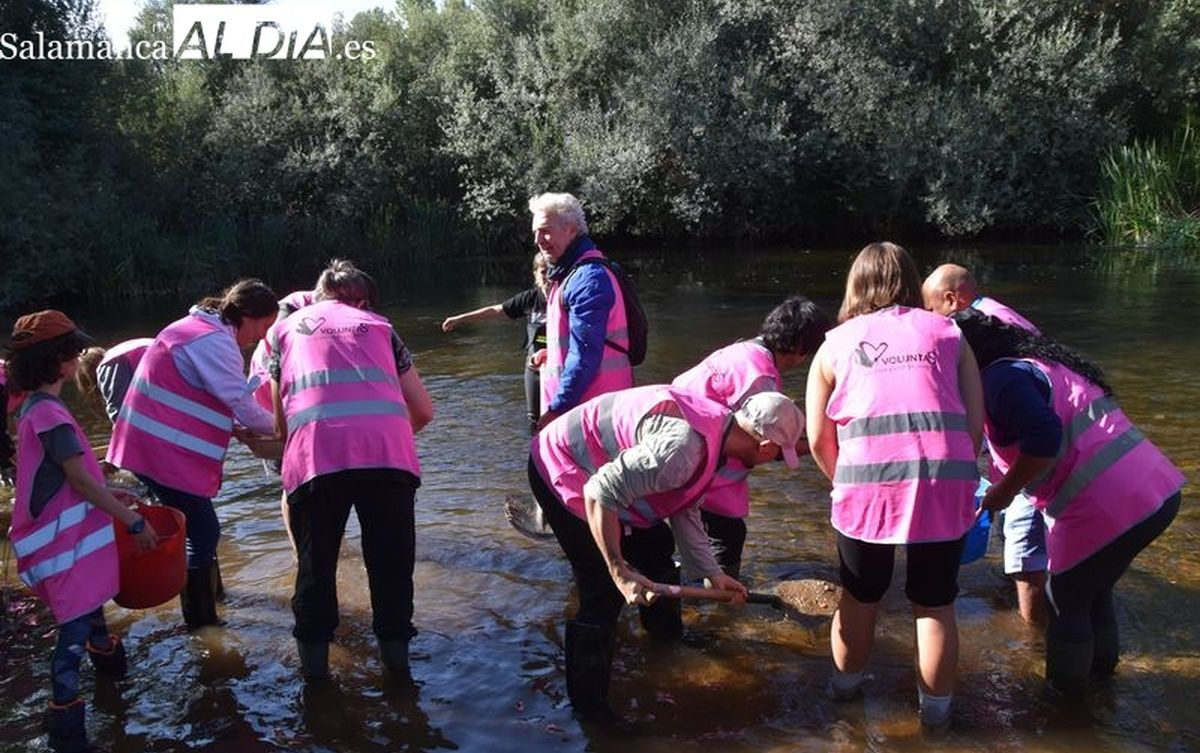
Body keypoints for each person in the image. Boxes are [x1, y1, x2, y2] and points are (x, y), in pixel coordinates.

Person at [529, 385, 803, 720]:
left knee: (657, 548)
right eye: (777, 454)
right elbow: (600, 492)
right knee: (602, 590)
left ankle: (666, 640)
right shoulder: (684, 449)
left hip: (601, 473)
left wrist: (712, 574)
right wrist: (619, 571)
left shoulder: (719, 434)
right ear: (764, 446)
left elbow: (684, 507)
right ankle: (589, 711)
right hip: (560, 465)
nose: (772, 461)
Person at [951, 309, 1184, 695]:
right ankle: (1104, 686)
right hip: (1157, 493)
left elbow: (1043, 440)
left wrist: (1004, 493)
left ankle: (1066, 707)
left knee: (1064, 602)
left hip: (1109, 504)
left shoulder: (1000, 379)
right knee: (1094, 592)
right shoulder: (1038, 365)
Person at [805, 242, 984, 731]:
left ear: (855, 285)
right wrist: (957, 479)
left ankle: (845, 700)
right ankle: (938, 718)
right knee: (935, 601)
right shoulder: (950, 331)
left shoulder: (834, 343)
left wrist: (844, 484)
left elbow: (819, 438)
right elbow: (973, 422)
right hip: (943, 477)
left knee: (860, 594)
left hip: (865, 480)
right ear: (910, 280)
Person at [269, 259, 434, 682]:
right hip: (388, 458)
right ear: (362, 300)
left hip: (316, 459)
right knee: (392, 567)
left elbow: (279, 424)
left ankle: (316, 684)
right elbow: (424, 410)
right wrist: (388, 436)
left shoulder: (284, 330)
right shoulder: (381, 327)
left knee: (315, 568)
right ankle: (399, 676)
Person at [5, 310, 158, 753]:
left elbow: (73, 477)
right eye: (72, 351)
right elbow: (80, 481)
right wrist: (132, 519)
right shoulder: (50, 415)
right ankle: (65, 721)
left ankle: (113, 675)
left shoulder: (35, 408)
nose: (77, 358)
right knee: (72, 632)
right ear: (59, 361)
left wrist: (111, 490)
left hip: (61, 541)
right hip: (59, 545)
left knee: (88, 610)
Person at [106, 279, 279, 629]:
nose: (262, 337)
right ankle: (202, 625)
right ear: (245, 316)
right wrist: (292, 429)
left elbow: (202, 394)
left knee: (198, 527)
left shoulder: (200, 329)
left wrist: (236, 427)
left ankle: (215, 601)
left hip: (149, 447)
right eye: (263, 326)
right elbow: (243, 407)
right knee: (203, 531)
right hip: (157, 452)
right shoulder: (213, 341)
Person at [923, 263, 1047, 623]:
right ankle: (1023, 607)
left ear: (952, 298)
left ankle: (1034, 643)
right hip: (1022, 454)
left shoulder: (982, 325)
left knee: (1026, 550)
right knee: (1022, 547)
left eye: (931, 311)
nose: (931, 322)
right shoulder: (994, 316)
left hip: (1031, 459)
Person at [671, 295, 829, 578]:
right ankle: (719, 599)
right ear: (800, 349)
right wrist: (825, 440)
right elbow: (769, 447)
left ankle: (697, 582)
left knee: (699, 529)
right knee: (727, 534)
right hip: (695, 461)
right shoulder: (759, 379)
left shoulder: (744, 351)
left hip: (677, 444)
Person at [529, 193, 634, 431]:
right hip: (584, 410)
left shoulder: (588, 279)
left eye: (545, 230)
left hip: (596, 414)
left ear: (572, 229)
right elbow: (582, 343)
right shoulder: (568, 273)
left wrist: (556, 410)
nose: (538, 239)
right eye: (535, 232)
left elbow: (585, 357)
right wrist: (554, 352)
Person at [442, 252, 549, 423]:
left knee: (558, 418)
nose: (547, 277)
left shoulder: (566, 298)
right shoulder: (530, 299)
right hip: (534, 369)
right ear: (535, 274)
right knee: (534, 421)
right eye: (543, 272)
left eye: (551, 271)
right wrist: (460, 318)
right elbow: (496, 310)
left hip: (557, 368)